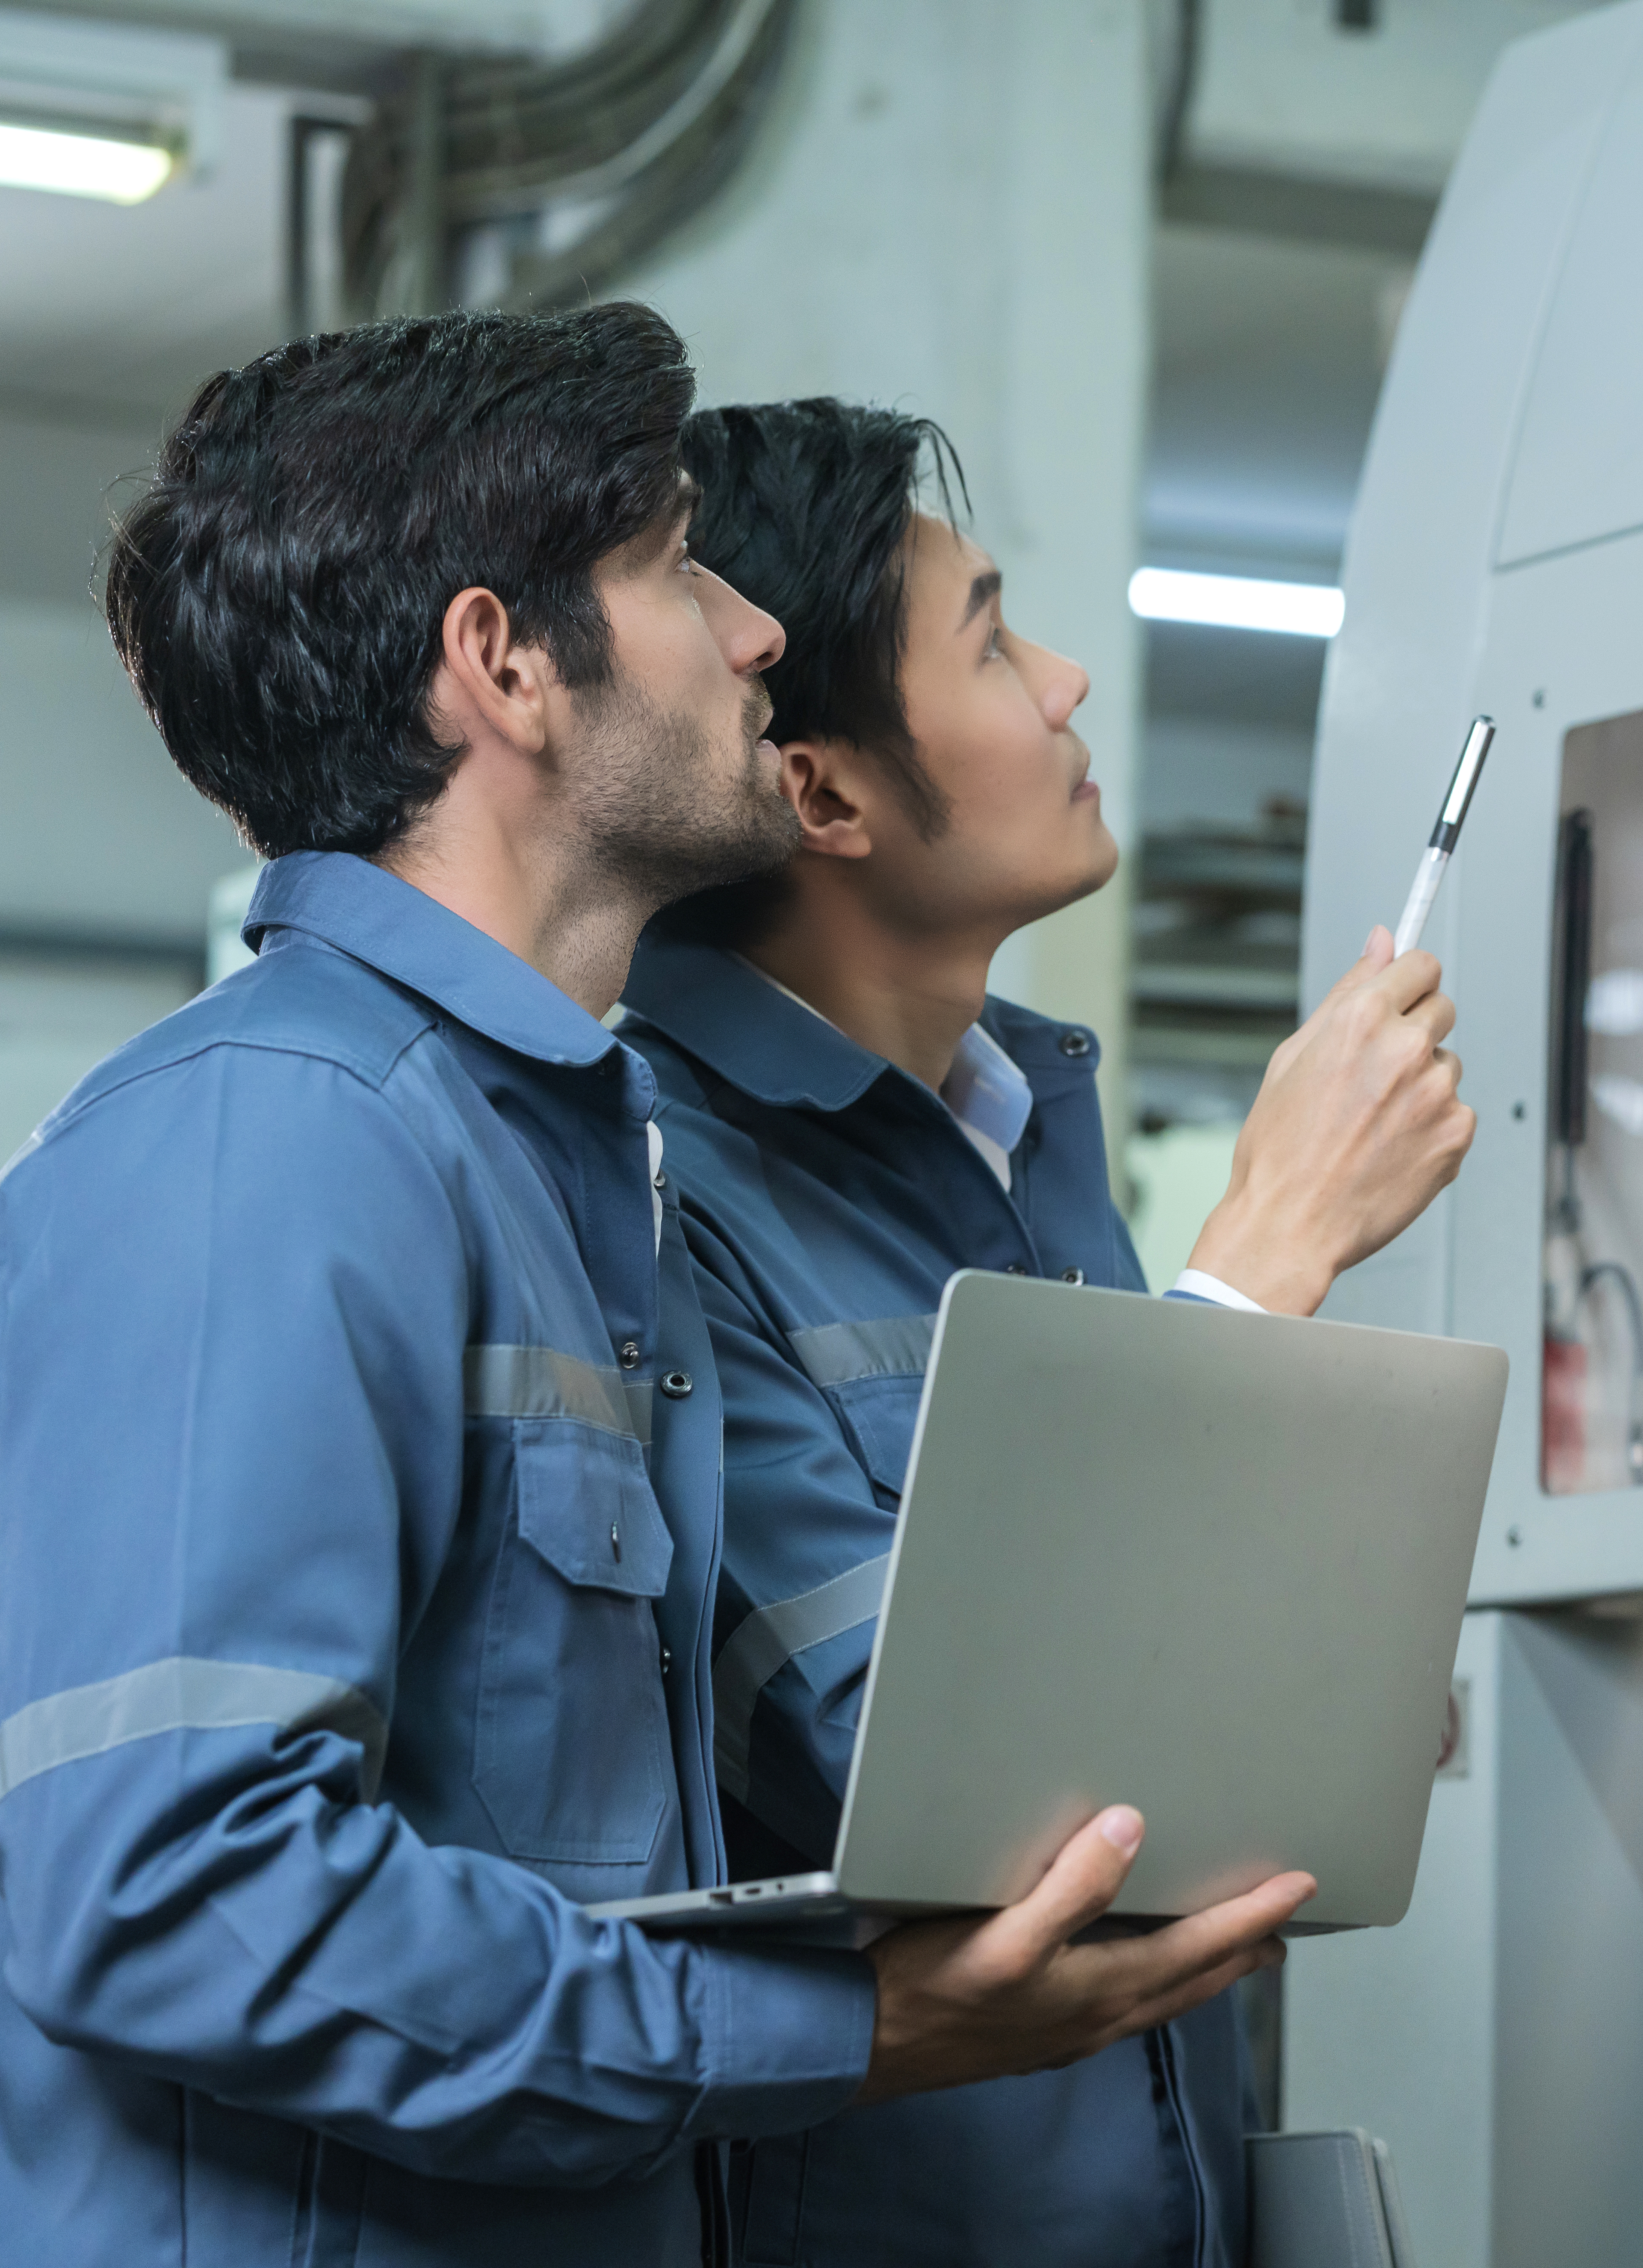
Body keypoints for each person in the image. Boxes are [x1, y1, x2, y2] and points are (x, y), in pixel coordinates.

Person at [0, 307, 1312, 2268]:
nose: (750, 634)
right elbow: (181, 1892)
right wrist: (833, 2029)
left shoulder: (554, 1157)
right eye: (672, 570)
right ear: (506, 665)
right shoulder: (272, 1141)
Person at [616, 398, 1473, 2267]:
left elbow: (1209, 1748)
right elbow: (961, 1795)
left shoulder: (1024, 1134)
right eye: (994, 637)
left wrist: (1317, 1702)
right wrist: (1259, 1260)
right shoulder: (661, 1192)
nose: (1070, 678)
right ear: (824, 794)